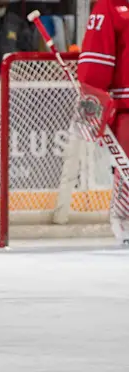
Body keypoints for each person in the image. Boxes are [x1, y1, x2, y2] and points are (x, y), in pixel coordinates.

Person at [77, 0, 129, 243]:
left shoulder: (111, 6)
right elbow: (95, 64)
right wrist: (92, 103)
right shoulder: (111, 6)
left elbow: (94, 66)